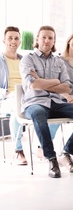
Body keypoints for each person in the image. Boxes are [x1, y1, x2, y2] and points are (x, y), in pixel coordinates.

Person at [20, 25, 73, 178]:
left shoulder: (58, 61)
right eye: (44, 37)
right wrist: (55, 81)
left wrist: (43, 81)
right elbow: (33, 85)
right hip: (34, 102)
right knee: (38, 113)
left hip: (57, 102)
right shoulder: (28, 59)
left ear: (54, 41)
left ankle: (67, 153)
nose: (47, 41)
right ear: (37, 39)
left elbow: (67, 88)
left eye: (50, 38)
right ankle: (51, 159)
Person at [0, 26, 59, 166]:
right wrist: (6, 93)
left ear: (20, 41)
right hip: (8, 98)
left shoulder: (26, 59)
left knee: (55, 110)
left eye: (16, 38)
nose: (13, 41)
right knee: (17, 108)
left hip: (30, 96)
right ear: (4, 40)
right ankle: (18, 150)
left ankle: (42, 147)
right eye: (10, 38)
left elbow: (36, 80)